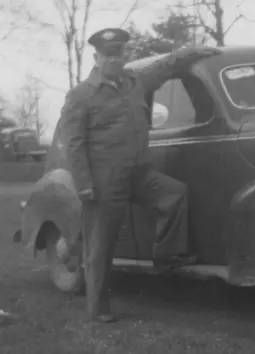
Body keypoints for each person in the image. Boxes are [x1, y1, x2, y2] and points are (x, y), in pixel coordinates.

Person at [57, 27, 220, 323]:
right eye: (108, 55)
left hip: (139, 172)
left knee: (174, 194)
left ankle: (165, 259)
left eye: (118, 54)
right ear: (96, 57)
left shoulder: (136, 81)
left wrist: (192, 52)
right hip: (105, 180)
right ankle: (98, 308)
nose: (114, 60)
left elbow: (166, 65)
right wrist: (84, 185)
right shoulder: (81, 95)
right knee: (101, 244)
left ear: (125, 55)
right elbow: (75, 144)